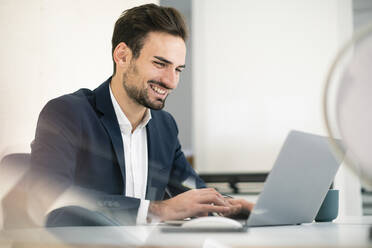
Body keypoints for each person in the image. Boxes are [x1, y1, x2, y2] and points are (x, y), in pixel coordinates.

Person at [27, 3, 253, 226]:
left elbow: (193, 190)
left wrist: (237, 208)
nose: (171, 81)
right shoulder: (68, 113)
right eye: (160, 64)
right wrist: (157, 210)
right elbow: (50, 195)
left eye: (177, 69)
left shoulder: (165, 127)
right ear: (123, 56)